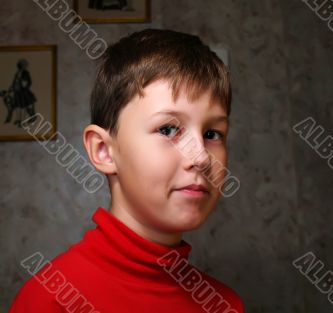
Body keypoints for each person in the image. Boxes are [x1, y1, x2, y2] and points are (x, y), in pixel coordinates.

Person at [9, 28, 244, 313]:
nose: (201, 157)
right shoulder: (51, 300)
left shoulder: (225, 305)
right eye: (168, 129)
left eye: (212, 133)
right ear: (104, 151)